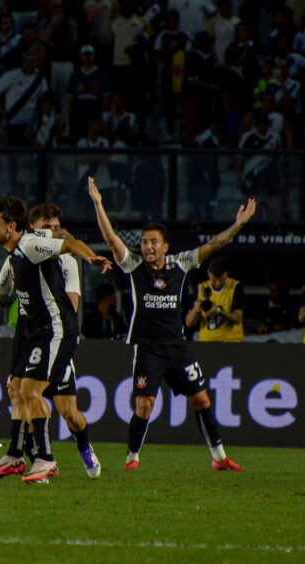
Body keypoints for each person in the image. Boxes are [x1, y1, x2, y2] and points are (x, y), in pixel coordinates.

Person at [0, 197, 112, 483]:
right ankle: (16, 455)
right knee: (16, 389)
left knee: (37, 395)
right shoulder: (13, 255)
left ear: (11, 226)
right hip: (31, 334)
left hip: (54, 330)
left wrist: (89, 257)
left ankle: (47, 459)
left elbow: (69, 244)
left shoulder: (31, 244)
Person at [88, 176, 254, 471]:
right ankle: (132, 459)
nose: (148, 246)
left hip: (176, 347)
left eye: (153, 242)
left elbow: (216, 243)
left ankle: (219, 458)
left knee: (201, 401)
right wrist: (99, 204)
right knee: (144, 406)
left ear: (165, 246)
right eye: (144, 242)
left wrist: (238, 224)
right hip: (148, 349)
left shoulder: (181, 263)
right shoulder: (135, 266)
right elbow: (112, 240)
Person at [185, 256, 245, 342]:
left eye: (221, 280)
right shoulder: (200, 288)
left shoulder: (235, 286)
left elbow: (238, 318)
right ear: (208, 273)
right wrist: (195, 310)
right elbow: (189, 323)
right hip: (207, 343)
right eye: (214, 280)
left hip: (231, 341)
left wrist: (219, 311)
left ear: (226, 273)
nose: (217, 283)